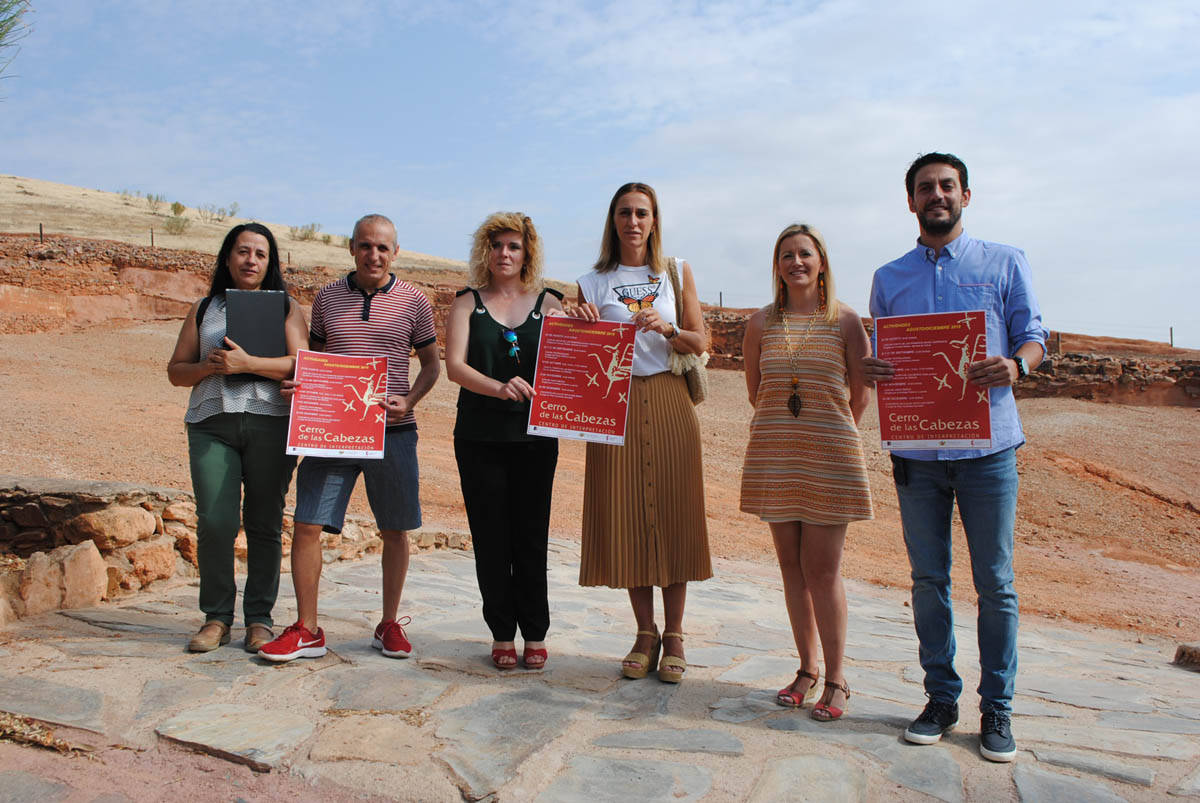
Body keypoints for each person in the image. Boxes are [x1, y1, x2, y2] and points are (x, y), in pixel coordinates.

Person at [864, 152, 1047, 761]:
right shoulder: (889, 278)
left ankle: (998, 709)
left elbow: (1035, 336)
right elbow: (884, 355)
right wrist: (875, 366)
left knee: (994, 583)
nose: (936, 194)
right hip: (918, 453)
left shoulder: (1005, 261)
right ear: (910, 202)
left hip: (988, 449)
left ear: (966, 195)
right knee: (927, 580)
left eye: (947, 185)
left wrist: (1016, 365)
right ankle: (941, 697)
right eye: (925, 188)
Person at [259, 214, 441, 662]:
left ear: (395, 251)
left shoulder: (414, 301)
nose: (373, 255)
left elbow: (433, 366)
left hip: (393, 431)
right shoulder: (326, 298)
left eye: (382, 247)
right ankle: (307, 629)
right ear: (352, 248)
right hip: (333, 432)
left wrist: (411, 400)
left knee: (395, 530)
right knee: (306, 523)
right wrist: (300, 388)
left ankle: (389, 623)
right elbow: (314, 362)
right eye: (365, 246)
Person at [575, 182, 712, 683]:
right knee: (628, 516)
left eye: (642, 213)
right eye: (625, 213)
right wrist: (578, 318)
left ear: (654, 220)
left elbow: (702, 340)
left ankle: (674, 634)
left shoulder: (674, 272)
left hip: (671, 399)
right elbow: (576, 350)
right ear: (613, 221)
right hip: (618, 405)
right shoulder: (592, 283)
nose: (633, 222)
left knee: (674, 513)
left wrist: (669, 329)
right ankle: (644, 632)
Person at [740, 223, 873, 721]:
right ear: (776, 265)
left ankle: (837, 679)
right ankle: (806, 668)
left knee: (823, 569)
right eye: (786, 255)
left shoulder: (845, 321)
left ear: (821, 262)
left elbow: (860, 394)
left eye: (805, 254)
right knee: (791, 567)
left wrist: (828, 434)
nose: (796, 262)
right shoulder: (760, 324)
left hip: (829, 457)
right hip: (776, 453)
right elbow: (756, 391)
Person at [167, 223, 308, 653]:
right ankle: (216, 617)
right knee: (215, 521)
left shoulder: (286, 306)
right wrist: (211, 367)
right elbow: (176, 371)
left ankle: (260, 620)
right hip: (212, 423)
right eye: (243, 251)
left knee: (265, 523)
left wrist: (248, 362)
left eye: (261, 254)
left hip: (271, 423)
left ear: (271, 263)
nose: (251, 260)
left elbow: (301, 365)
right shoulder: (204, 308)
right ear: (227, 257)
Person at [445, 212, 565, 670]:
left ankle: (535, 631)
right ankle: (501, 631)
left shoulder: (551, 303)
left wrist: (588, 323)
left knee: (531, 536)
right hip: (479, 435)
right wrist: (499, 387)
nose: (505, 254)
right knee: (490, 538)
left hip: (535, 437)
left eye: (514, 247)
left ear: (526, 253)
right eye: (497, 246)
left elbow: (573, 358)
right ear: (486, 251)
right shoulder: (465, 303)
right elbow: (455, 366)